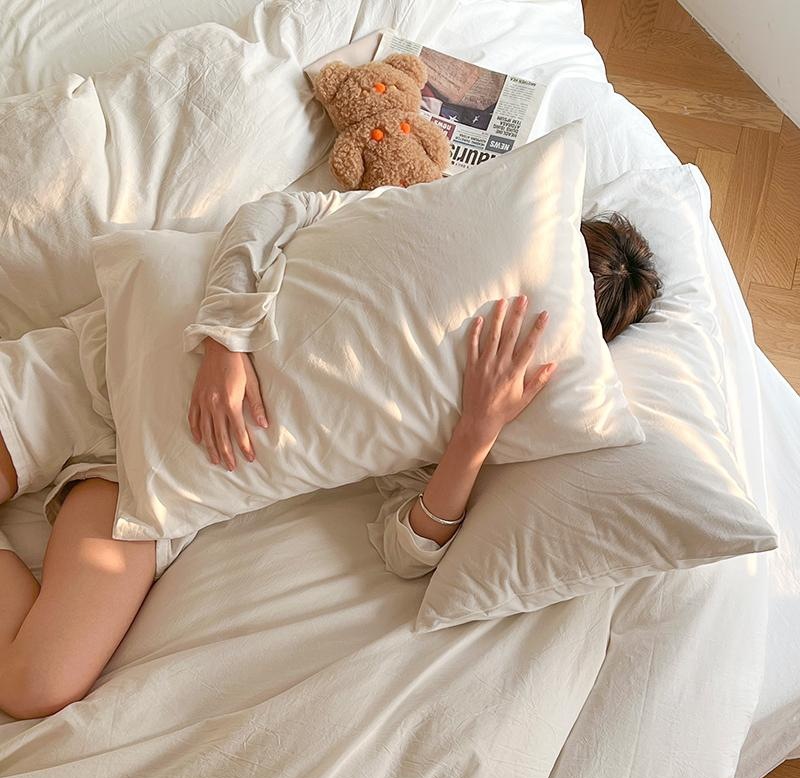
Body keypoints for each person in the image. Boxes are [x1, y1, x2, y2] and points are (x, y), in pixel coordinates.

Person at [0, 190, 658, 719]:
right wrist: (226, 338)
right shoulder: (416, 227)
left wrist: (475, 434)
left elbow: (405, 551)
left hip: (148, 482)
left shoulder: (446, 404)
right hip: (97, 370)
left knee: (34, 685)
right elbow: (272, 212)